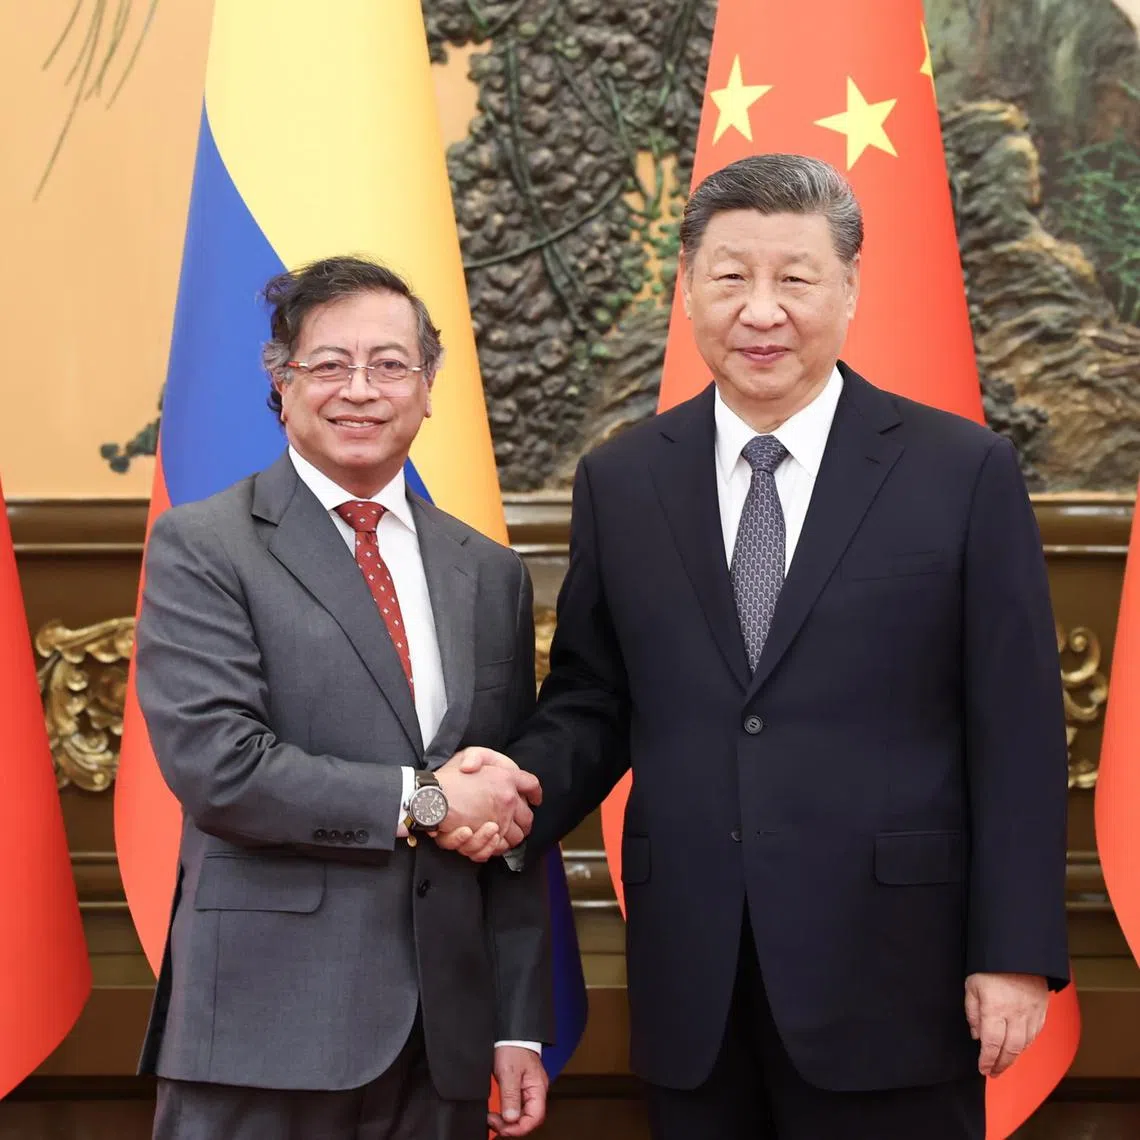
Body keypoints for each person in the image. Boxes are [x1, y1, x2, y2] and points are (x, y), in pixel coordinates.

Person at [445, 154, 1070, 1138]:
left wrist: (1016, 951)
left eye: (796, 277)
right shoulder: (624, 479)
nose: (762, 310)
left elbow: (1020, 730)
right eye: (732, 276)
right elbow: (596, 701)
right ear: (688, 288)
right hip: (695, 969)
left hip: (896, 970)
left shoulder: (961, 472)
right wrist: (511, 783)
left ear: (852, 289)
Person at [135, 256, 552, 1140]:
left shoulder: (490, 573)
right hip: (265, 1028)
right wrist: (427, 800)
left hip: (442, 1043)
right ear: (282, 385)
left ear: (430, 386)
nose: (360, 389)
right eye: (328, 365)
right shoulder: (205, 546)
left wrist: (516, 1021)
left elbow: (507, 808)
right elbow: (220, 768)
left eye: (390, 364)